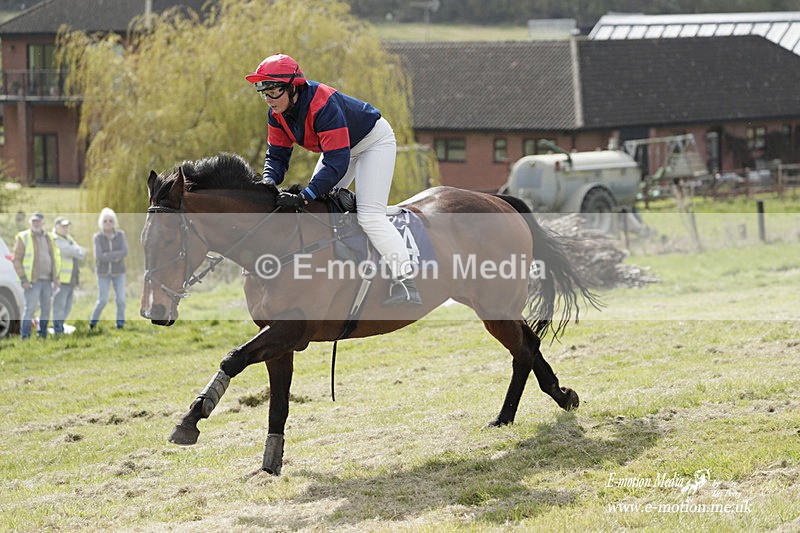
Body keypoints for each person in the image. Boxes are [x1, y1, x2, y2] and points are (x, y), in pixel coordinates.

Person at [245, 53, 421, 306]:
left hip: (373, 142)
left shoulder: (322, 105)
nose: (268, 100)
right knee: (321, 209)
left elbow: (336, 163)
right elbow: (277, 155)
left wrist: (304, 196)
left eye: (273, 92)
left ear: (293, 88)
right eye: (263, 92)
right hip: (340, 149)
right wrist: (267, 184)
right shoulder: (277, 114)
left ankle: (406, 283)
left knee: (370, 216)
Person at [12, 212, 61, 339]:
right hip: (31, 281)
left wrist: (56, 278)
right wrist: (23, 278)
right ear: (30, 223)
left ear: (43, 223)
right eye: (33, 221)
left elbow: (55, 258)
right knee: (30, 310)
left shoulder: (49, 237)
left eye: (38, 221)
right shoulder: (24, 237)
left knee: (46, 310)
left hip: (47, 280)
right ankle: (25, 336)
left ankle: (42, 334)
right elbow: (16, 259)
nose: (36, 223)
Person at [89, 208, 128, 329]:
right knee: (103, 300)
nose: (108, 223)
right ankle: (93, 322)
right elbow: (99, 256)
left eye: (110, 220)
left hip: (119, 272)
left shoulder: (121, 235)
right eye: (105, 221)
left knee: (121, 300)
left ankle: (120, 323)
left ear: (114, 221)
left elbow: (125, 251)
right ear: (102, 222)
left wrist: (108, 255)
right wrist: (116, 256)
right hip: (103, 273)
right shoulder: (97, 237)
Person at [51, 216, 86, 335]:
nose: (65, 229)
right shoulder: (55, 239)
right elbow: (69, 251)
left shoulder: (68, 239)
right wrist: (76, 250)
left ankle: (60, 326)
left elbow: (81, 253)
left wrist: (76, 251)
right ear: (56, 227)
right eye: (63, 226)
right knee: (59, 306)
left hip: (71, 279)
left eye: (67, 226)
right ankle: (57, 330)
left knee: (68, 306)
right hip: (61, 280)